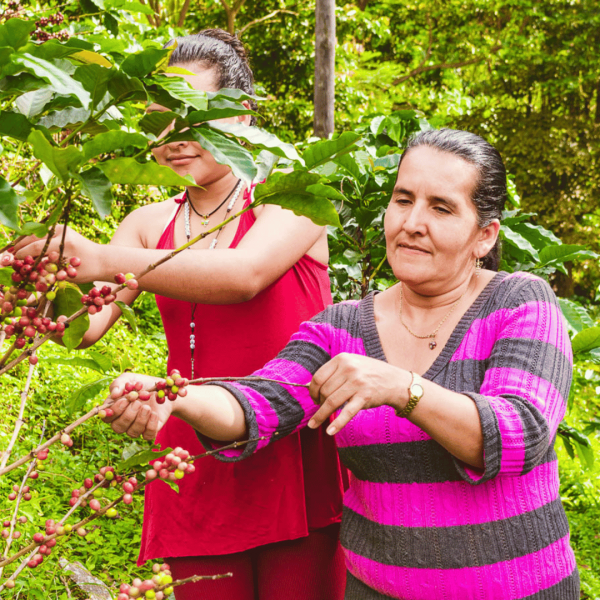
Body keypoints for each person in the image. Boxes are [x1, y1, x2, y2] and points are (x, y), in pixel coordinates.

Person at [104, 128, 579, 599]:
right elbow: (259, 404)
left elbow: (521, 435)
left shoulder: (519, 302)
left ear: (484, 236)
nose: (413, 222)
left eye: (441, 208)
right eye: (403, 199)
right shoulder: (343, 328)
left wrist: (401, 387)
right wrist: (176, 395)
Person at [14, 30, 347, 600]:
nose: (174, 137)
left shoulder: (294, 195)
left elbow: (244, 276)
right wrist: (37, 290)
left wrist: (97, 258)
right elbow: (86, 328)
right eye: (159, 120)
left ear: (242, 115)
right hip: (192, 451)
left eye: (192, 116)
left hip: (292, 444)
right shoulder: (146, 224)